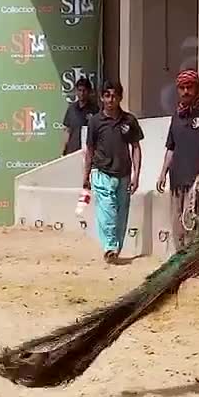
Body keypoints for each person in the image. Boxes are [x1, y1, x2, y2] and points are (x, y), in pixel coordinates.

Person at [155, 69, 199, 252]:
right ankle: (180, 261)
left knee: (196, 223)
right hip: (176, 179)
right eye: (182, 88)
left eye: (189, 87)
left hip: (196, 179)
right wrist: (162, 173)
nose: (186, 91)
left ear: (197, 88)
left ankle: (196, 265)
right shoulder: (177, 115)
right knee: (178, 225)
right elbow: (171, 147)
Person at [82, 80, 144, 264]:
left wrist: (136, 175)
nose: (111, 99)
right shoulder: (95, 122)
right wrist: (86, 176)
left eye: (114, 95)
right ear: (102, 97)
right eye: (107, 95)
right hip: (102, 172)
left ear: (120, 97)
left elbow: (136, 147)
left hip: (123, 173)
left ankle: (116, 248)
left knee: (121, 214)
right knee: (107, 211)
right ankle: (109, 246)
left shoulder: (129, 120)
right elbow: (90, 150)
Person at [61, 77, 99, 156]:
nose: (82, 93)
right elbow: (67, 131)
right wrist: (63, 150)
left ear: (89, 92)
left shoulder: (95, 110)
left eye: (84, 90)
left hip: (88, 152)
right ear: (76, 91)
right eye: (80, 90)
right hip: (72, 151)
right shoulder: (71, 109)